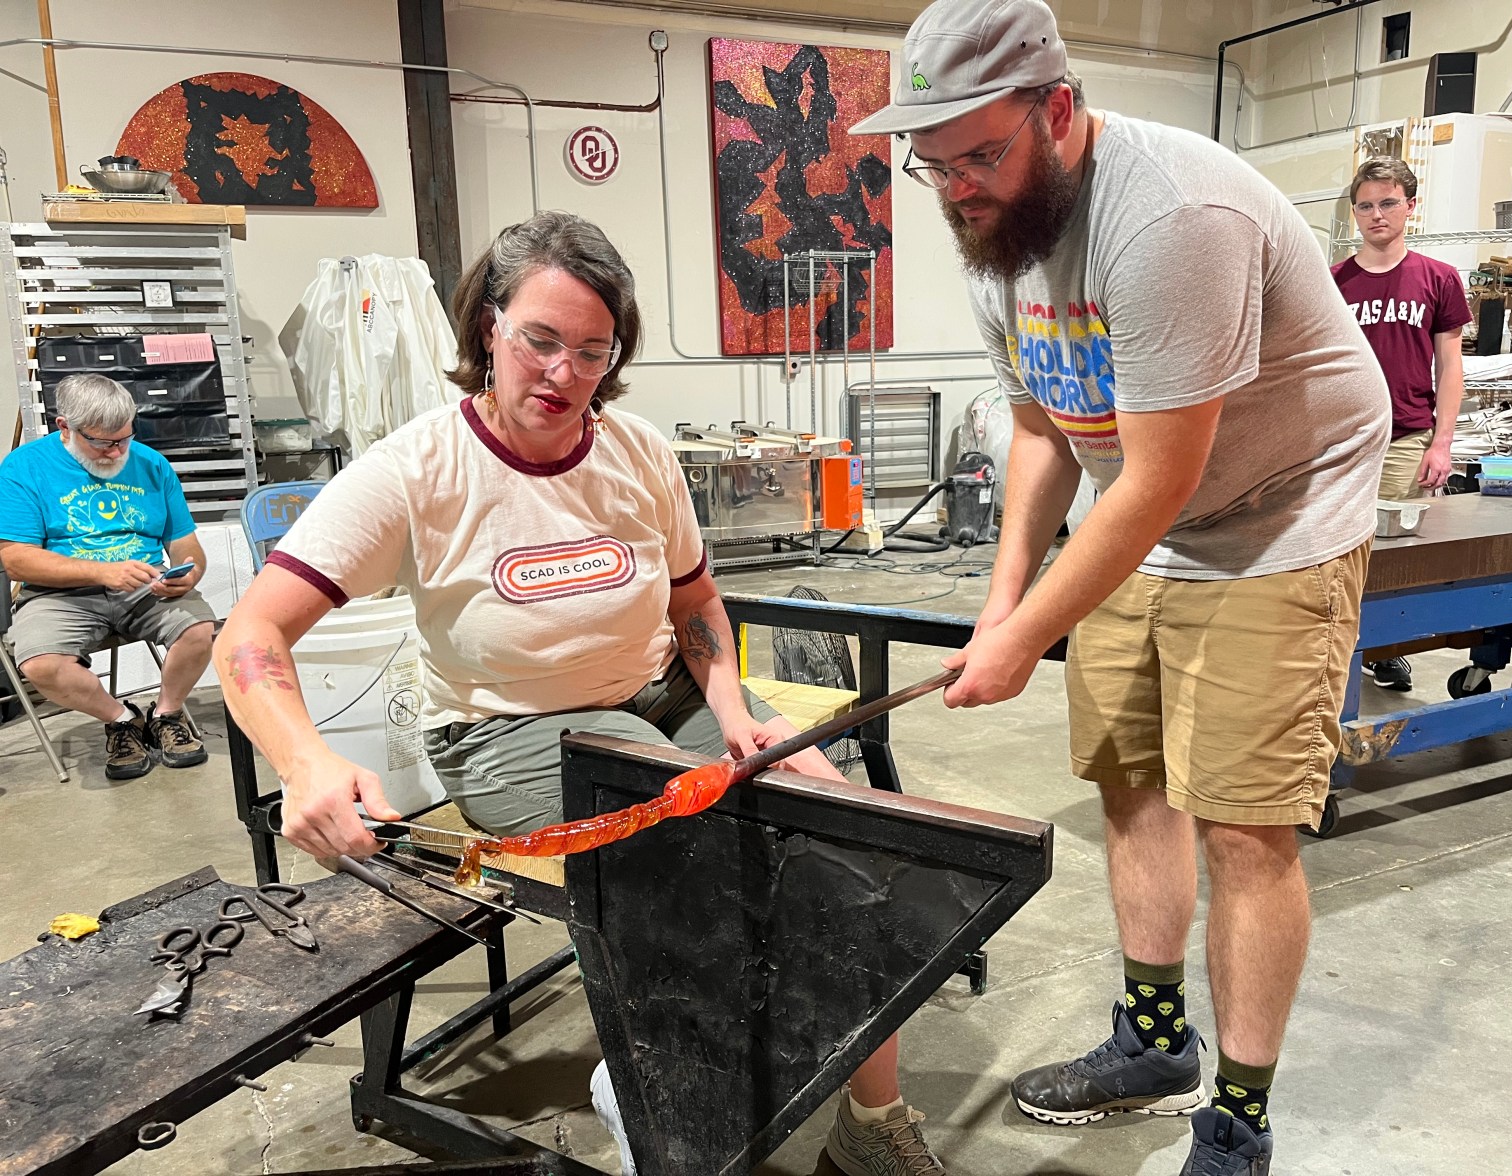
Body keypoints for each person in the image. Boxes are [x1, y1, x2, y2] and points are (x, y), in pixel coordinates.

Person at [215, 212, 943, 1176]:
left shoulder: (637, 453)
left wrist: (735, 710)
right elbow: (250, 635)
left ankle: (870, 1124)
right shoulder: (414, 471)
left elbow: (696, 604)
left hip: (657, 689)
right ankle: (650, 1083)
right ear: (488, 329)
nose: (563, 374)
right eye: (540, 341)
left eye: (593, 352)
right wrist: (305, 759)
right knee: (707, 859)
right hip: (509, 727)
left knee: (841, 828)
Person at [851, 2, 1389, 1173]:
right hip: (1146, 508)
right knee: (1130, 778)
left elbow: (1157, 479)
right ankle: (1155, 1043)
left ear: (1057, 108)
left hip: (1277, 512)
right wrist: (1005, 598)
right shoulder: (995, 225)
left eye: (981, 155)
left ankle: (1238, 1125)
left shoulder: (1166, 217)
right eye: (932, 165)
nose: (957, 190)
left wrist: (1027, 632)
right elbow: (1043, 431)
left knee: (1244, 825)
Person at [0, 372, 213, 779]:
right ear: (65, 427)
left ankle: (166, 715)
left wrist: (191, 572)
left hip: (145, 586)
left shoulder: (152, 464)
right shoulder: (23, 469)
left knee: (200, 630)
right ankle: (122, 720)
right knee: (41, 664)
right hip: (58, 595)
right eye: (103, 442)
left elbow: (184, 542)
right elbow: (17, 561)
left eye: (125, 439)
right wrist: (102, 571)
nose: (117, 453)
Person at [1333, 155, 1471, 693]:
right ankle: (1340, 649)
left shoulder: (1437, 279)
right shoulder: (1333, 281)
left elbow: (1450, 363)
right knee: (1335, 550)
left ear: (1410, 207)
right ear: (1354, 215)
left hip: (1406, 434)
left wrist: (1442, 443)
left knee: (1387, 552)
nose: (1376, 215)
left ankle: (1379, 649)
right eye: (1365, 206)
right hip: (1341, 440)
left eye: (1388, 202)